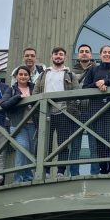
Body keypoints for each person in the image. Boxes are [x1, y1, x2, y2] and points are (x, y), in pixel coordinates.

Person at [33, 47, 80, 178]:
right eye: (56, 54)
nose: (58, 56)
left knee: (63, 143)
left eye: (61, 54)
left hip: (64, 112)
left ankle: (61, 171)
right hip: (45, 113)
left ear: (64, 57)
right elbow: (35, 92)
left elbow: (77, 93)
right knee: (45, 143)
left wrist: (72, 110)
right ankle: (46, 170)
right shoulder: (43, 74)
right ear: (51, 56)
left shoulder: (70, 74)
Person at [82, 45, 110, 174]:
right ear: (100, 55)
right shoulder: (93, 70)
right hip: (96, 112)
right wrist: (96, 85)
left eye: (109, 52)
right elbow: (84, 88)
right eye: (104, 52)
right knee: (99, 141)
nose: (107, 54)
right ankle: (102, 171)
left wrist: (107, 82)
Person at [0, 65, 36, 182]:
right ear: (16, 77)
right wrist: (19, 97)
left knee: (30, 151)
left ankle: (28, 178)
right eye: (20, 74)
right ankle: (18, 179)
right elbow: (4, 104)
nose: (23, 76)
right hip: (17, 125)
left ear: (29, 77)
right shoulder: (11, 90)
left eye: (26, 74)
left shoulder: (34, 88)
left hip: (33, 124)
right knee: (23, 148)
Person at [71, 43, 98, 174]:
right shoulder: (70, 72)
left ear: (91, 55)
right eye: (81, 51)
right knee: (75, 145)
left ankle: (94, 173)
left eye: (87, 51)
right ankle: (74, 173)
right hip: (76, 112)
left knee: (94, 145)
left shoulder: (97, 70)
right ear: (78, 55)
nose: (84, 53)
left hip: (92, 111)